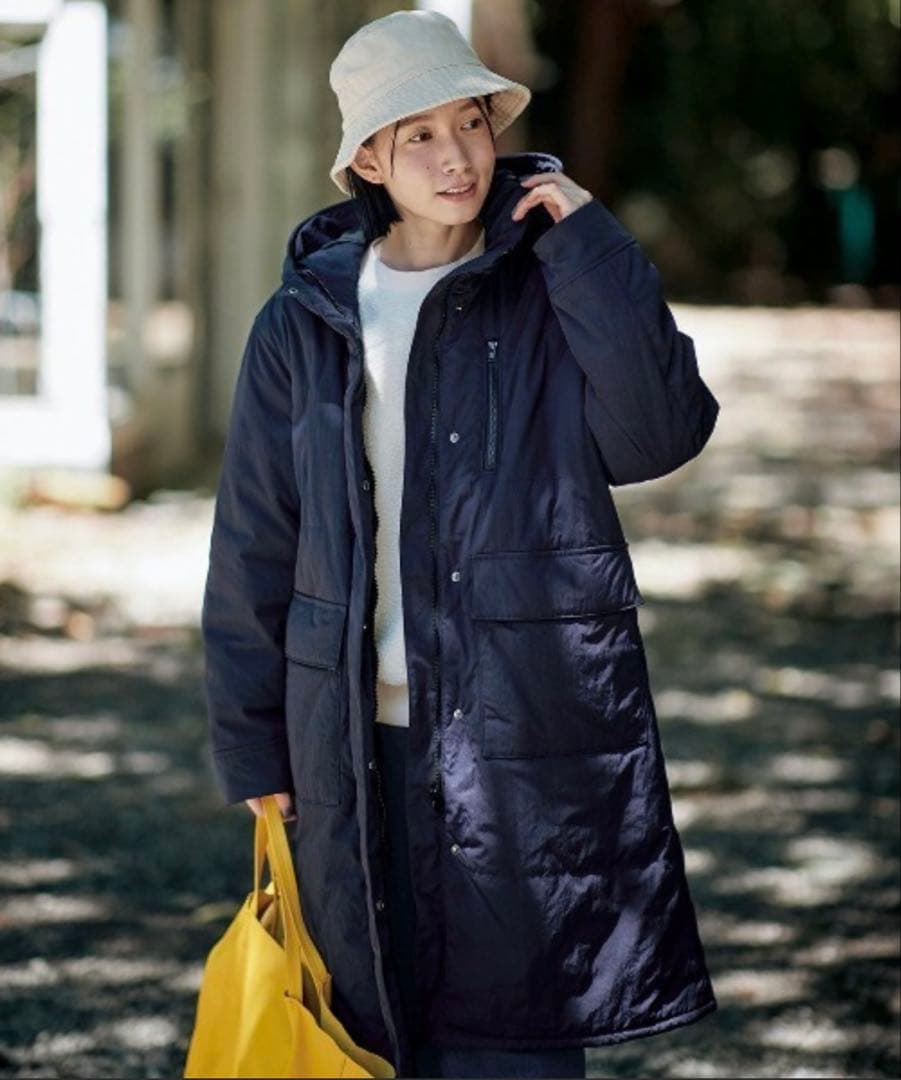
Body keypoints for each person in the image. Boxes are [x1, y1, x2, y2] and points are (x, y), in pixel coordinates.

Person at [202, 8, 720, 1079]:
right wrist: (253, 743)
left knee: (520, 1034)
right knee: (367, 1028)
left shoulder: (550, 285)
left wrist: (592, 248)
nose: (457, 156)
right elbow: (255, 536)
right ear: (368, 161)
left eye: (472, 123)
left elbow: (660, 433)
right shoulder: (302, 320)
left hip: (521, 725)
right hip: (353, 735)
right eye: (421, 134)